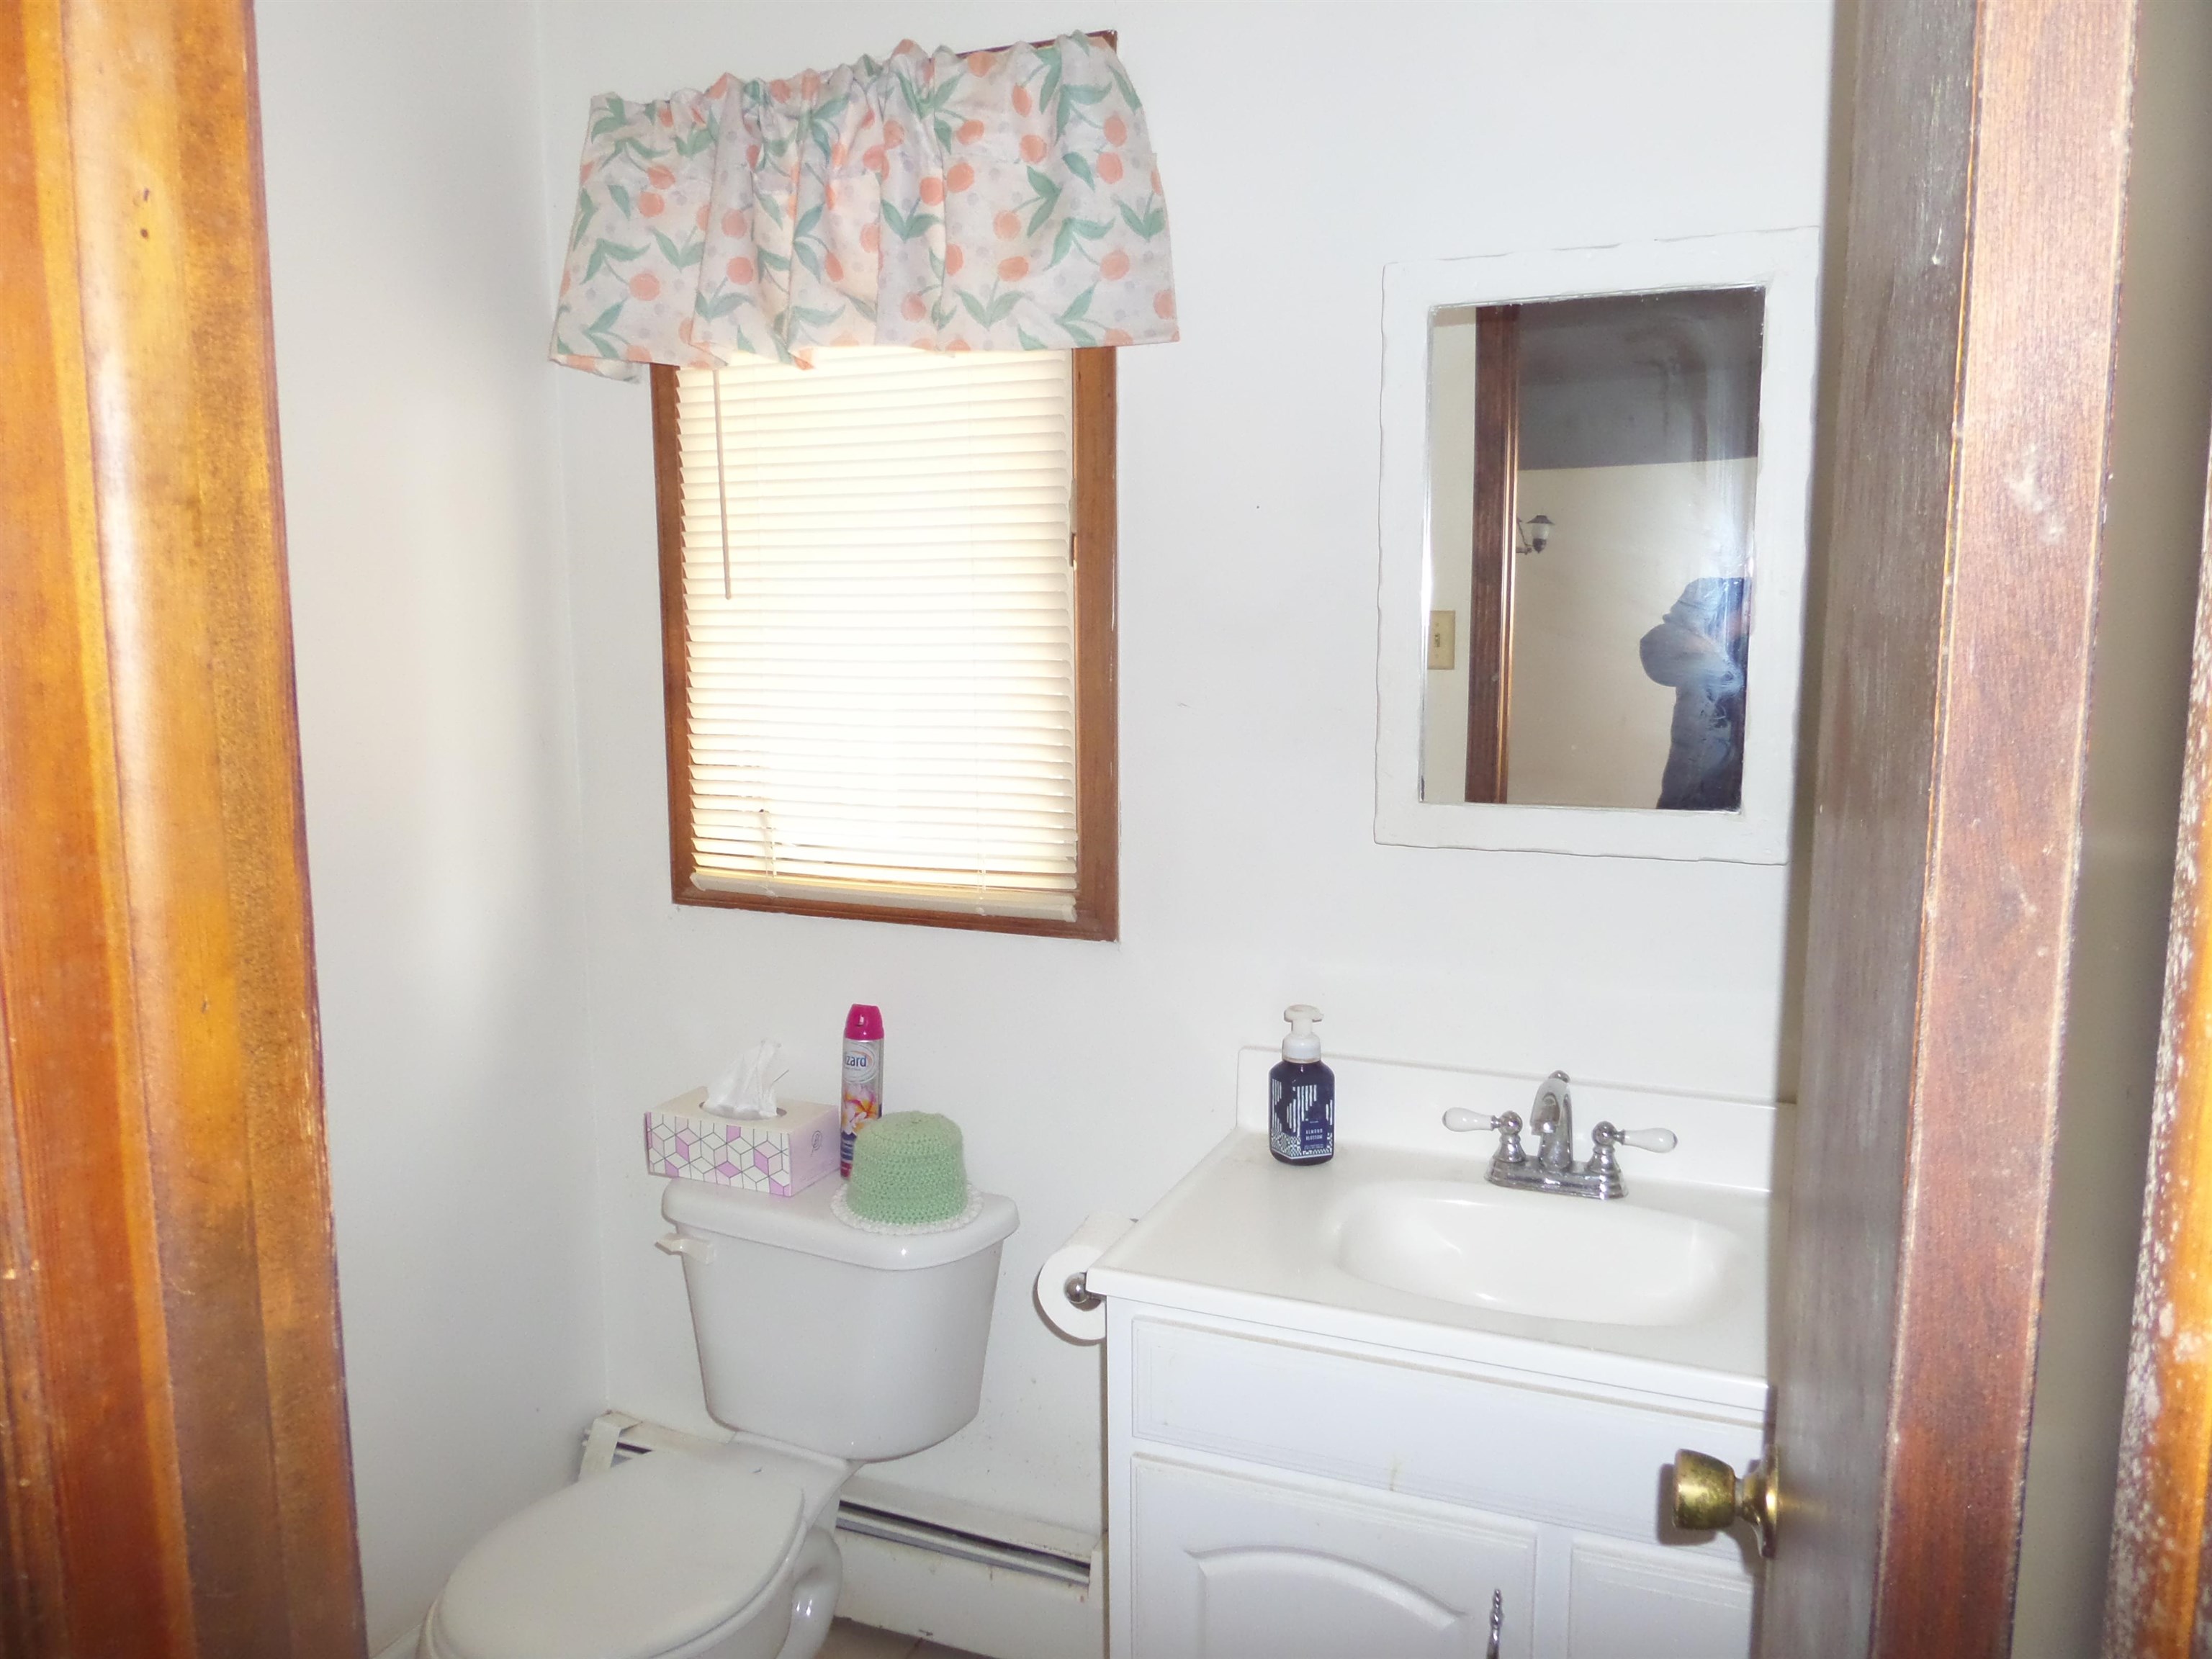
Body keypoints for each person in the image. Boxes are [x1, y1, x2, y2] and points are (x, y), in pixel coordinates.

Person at [1639, 576, 1749, 811]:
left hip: (1750, 781)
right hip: (1697, 784)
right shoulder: (1716, 592)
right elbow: (1656, 651)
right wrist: (1726, 634)